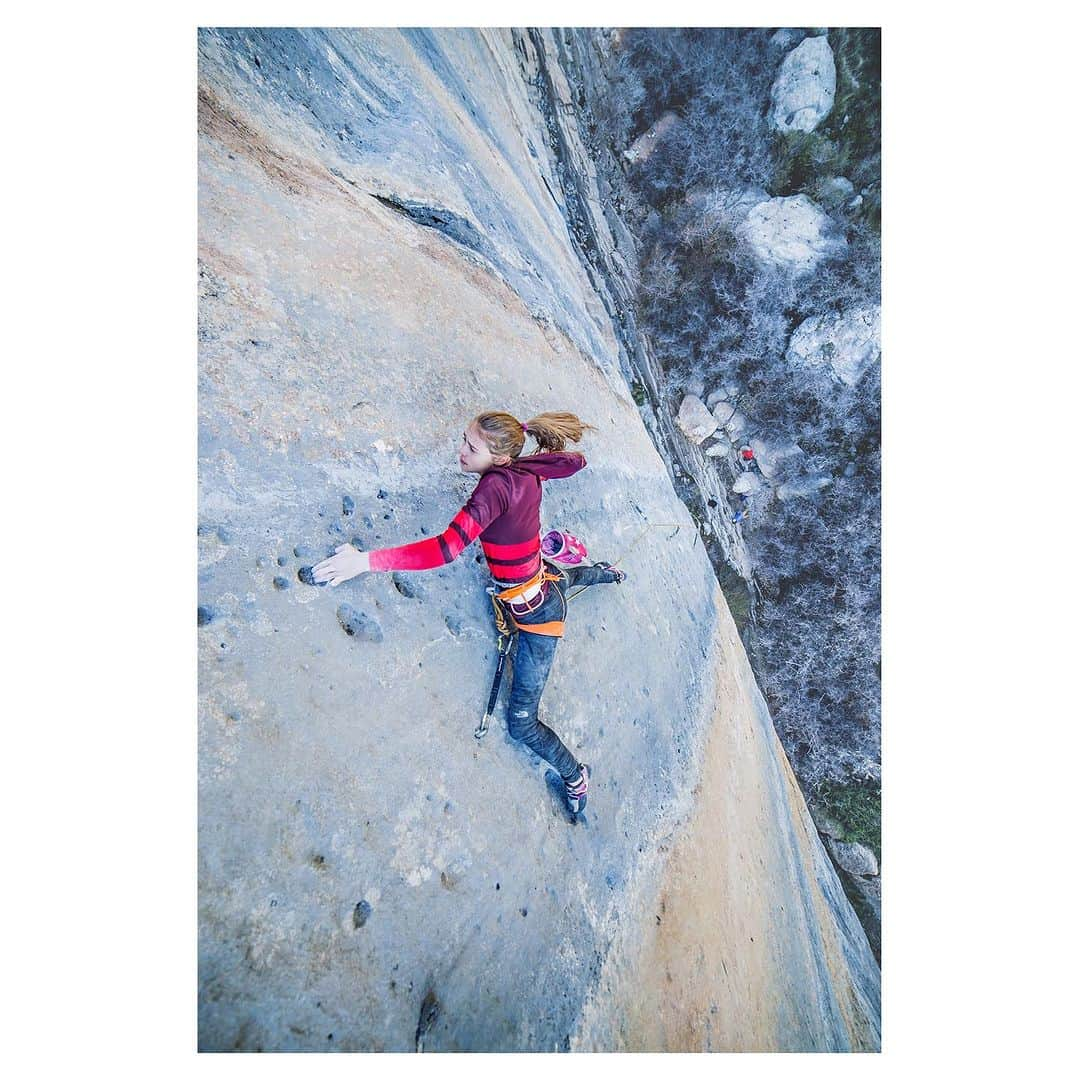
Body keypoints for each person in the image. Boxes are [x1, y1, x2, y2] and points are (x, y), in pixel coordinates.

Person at [312, 411, 626, 814]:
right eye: (465, 439)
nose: (460, 451)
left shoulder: (495, 488)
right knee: (568, 580)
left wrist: (366, 562)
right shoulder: (524, 469)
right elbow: (573, 462)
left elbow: (445, 548)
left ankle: (575, 775)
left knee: (522, 724)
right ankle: (607, 573)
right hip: (543, 582)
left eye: (471, 447)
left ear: (498, 457)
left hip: (539, 621)